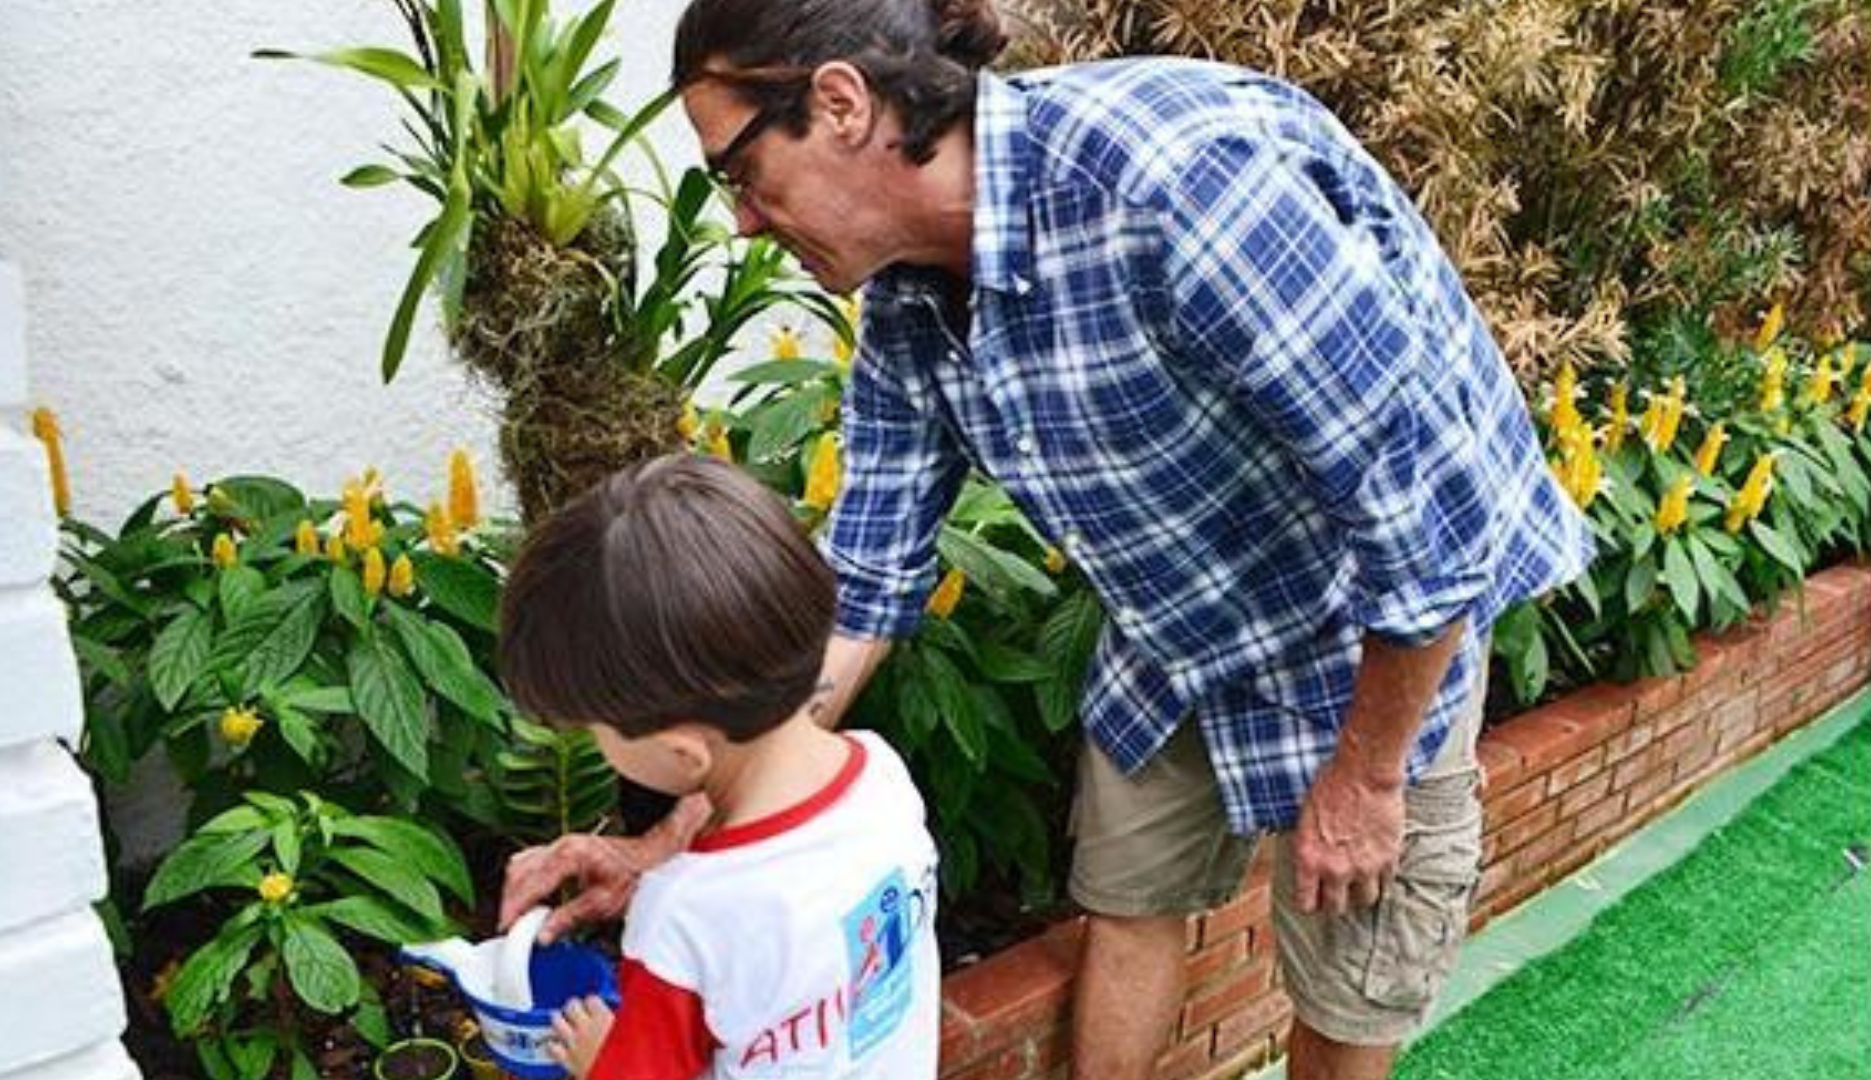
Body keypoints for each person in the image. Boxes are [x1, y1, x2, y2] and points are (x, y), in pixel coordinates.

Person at [502, 2, 1596, 1079]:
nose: (740, 218)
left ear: (839, 105)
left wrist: (1367, 780)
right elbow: (863, 588)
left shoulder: (1181, 189)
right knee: (1126, 900)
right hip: (1168, 614)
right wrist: (675, 839)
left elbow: (1425, 528)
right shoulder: (906, 302)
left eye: (735, 170)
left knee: (1348, 964)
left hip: (1363, 631)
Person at [497, 454, 941, 1080]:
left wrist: (602, 1059)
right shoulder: (882, 778)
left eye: (595, 730)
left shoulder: (686, 916)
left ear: (682, 752)